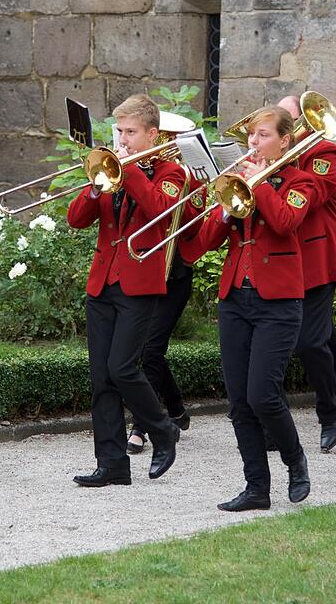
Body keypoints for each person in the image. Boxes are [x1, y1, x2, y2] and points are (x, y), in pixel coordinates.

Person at [195, 105, 314, 512]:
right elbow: (206, 241)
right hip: (235, 299)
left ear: (284, 140)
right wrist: (226, 204)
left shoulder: (301, 181)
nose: (254, 142)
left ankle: (295, 460)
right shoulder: (237, 179)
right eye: (252, 135)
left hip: (278, 301)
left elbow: (285, 222)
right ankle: (256, 488)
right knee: (239, 402)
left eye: (263, 135)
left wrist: (257, 182)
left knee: (263, 395)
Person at [66, 94, 184, 487]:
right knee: (101, 377)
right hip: (103, 282)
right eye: (119, 131)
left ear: (153, 134)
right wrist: (96, 186)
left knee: (122, 368)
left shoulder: (172, 173)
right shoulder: (112, 170)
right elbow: (76, 219)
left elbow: (159, 210)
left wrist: (128, 171)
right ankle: (112, 463)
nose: (122, 140)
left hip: (139, 284)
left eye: (131, 132)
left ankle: (162, 429)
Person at [277, 95, 336, 453]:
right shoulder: (271, 155)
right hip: (279, 261)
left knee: (309, 341)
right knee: (319, 336)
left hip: (315, 260)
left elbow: (316, 195)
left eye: (286, 119)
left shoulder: (324, 151)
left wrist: (280, 162)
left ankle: (330, 411)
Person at [125, 116, 204, 456]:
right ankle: (175, 409)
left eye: (169, 140)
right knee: (147, 349)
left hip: (174, 274)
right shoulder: (137, 172)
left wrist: (186, 194)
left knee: (152, 349)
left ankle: (141, 426)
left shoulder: (186, 176)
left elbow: (193, 228)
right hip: (143, 270)